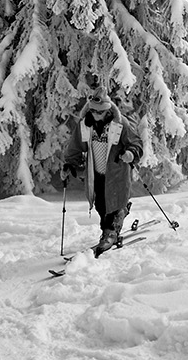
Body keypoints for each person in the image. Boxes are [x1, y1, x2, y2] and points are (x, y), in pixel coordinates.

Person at [63, 75, 143, 254]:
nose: (96, 115)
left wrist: (130, 153)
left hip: (116, 173)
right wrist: (70, 165)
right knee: (100, 205)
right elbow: (75, 147)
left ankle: (111, 232)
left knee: (113, 204)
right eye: (94, 111)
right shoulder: (85, 126)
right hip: (96, 173)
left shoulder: (120, 124)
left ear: (107, 110)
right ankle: (113, 222)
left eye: (100, 112)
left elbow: (136, 143)